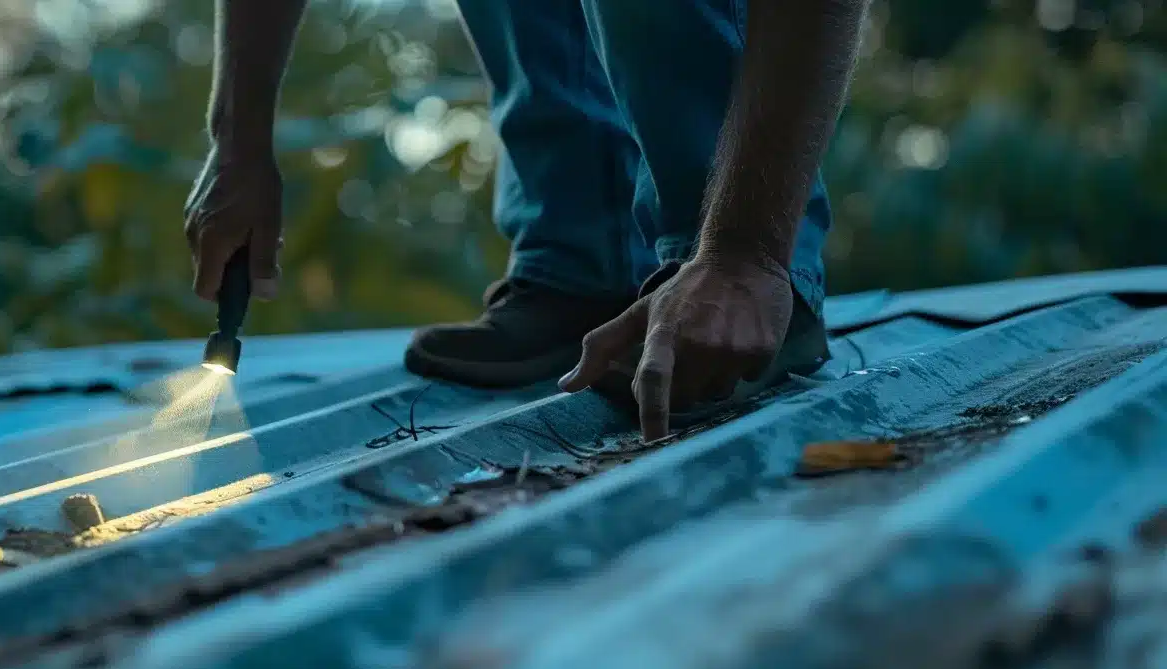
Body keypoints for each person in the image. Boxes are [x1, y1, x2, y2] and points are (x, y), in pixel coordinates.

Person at [184, 0, 869, 440]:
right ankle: (587, 260)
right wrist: (237, 143)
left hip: (742, 240)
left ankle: (730, 288)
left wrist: (748, 253)